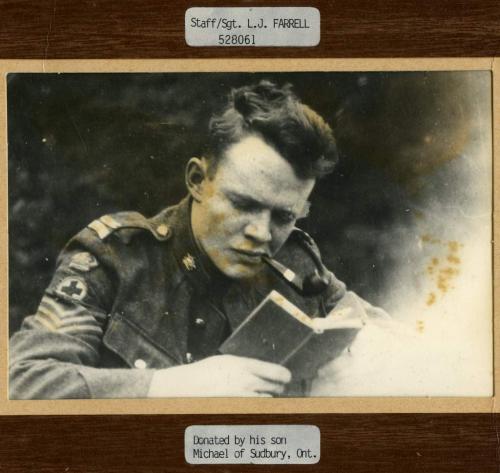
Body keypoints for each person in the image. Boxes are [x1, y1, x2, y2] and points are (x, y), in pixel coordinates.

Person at [9, 80, 386, 399]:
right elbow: (22, 382)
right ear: (197, 180)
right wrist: (167, 387)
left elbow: (383, 334)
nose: (261, 233)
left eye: (283, 216)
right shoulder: (114, 258)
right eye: (242, 204)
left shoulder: (297, 266)